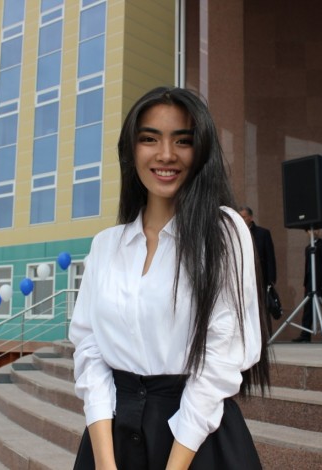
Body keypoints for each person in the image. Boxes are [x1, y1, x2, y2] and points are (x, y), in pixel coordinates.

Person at [69, 86, 270, 470]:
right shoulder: (106, 245)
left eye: (183, 140)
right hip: (112, 438)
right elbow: (90, 352)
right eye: (149, 139)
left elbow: (220, 361)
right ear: (131, 150)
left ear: (202, 150)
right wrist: (105, 463)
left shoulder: (224, 232)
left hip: (196, 441)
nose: (165, 154)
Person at [239, 206, 278, 329]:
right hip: (243, 278)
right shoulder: (237, 233)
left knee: (262, 308)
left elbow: (270, 257)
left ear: (250, 218)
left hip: (260, 278)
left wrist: (271, 279)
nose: (241, 219)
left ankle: (266, 335)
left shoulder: (263, 233)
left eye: (243, 217)